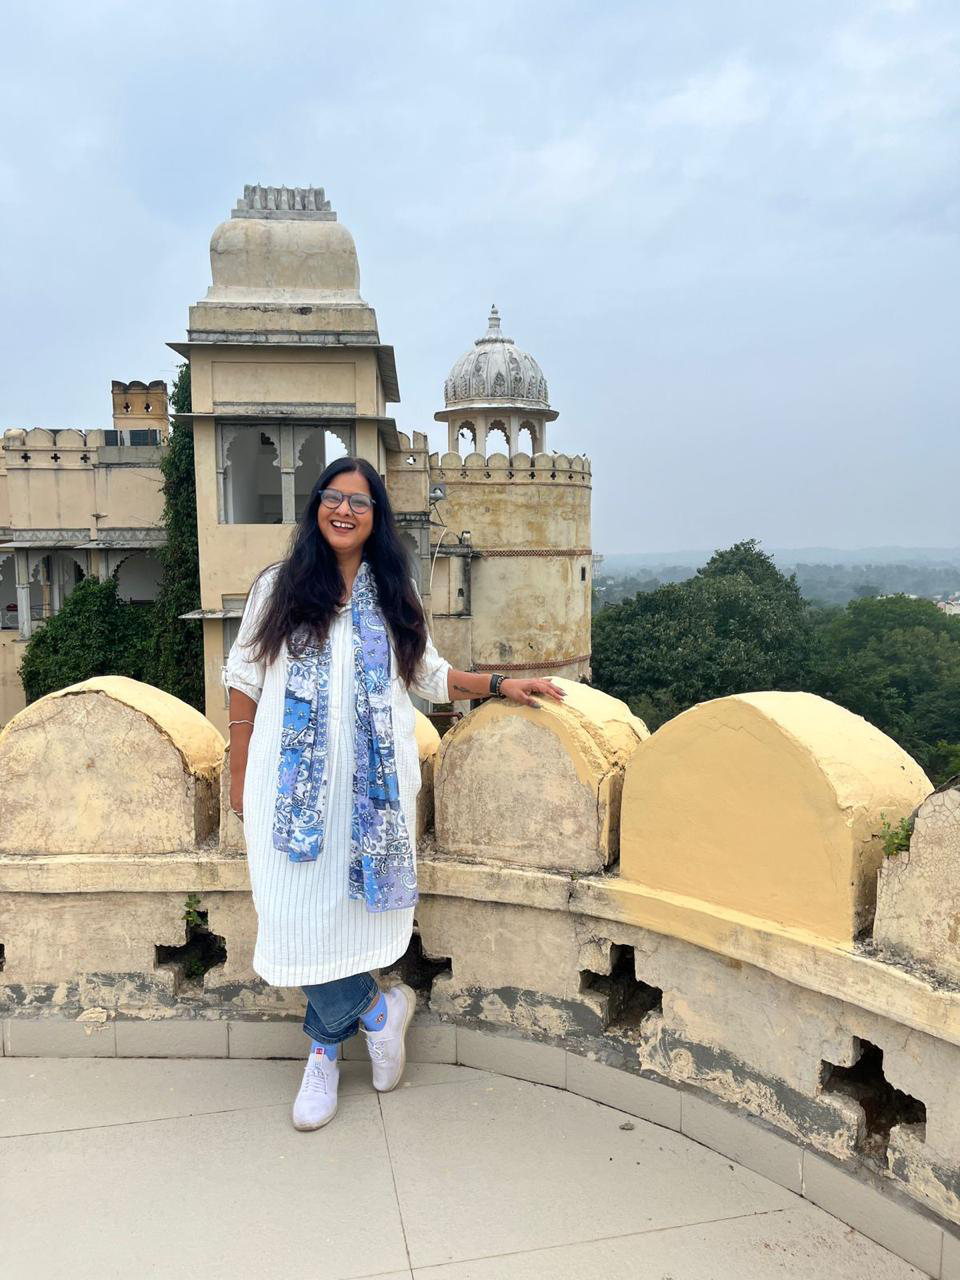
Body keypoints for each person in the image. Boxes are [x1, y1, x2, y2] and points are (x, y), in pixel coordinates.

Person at [222, 455, 565, 1130]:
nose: (344, 511)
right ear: (316, 506)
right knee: (292, 924)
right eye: (333, 497)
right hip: (288, 792)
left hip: (370, 799)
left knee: (340, 925)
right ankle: (381, 1011)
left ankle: (323, 1052)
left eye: (360, 502)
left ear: (375, 517)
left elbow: (429, 676)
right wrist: (237, 767)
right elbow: (244, 675)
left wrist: (500, 684)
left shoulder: (392, 592)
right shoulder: (277, 586)